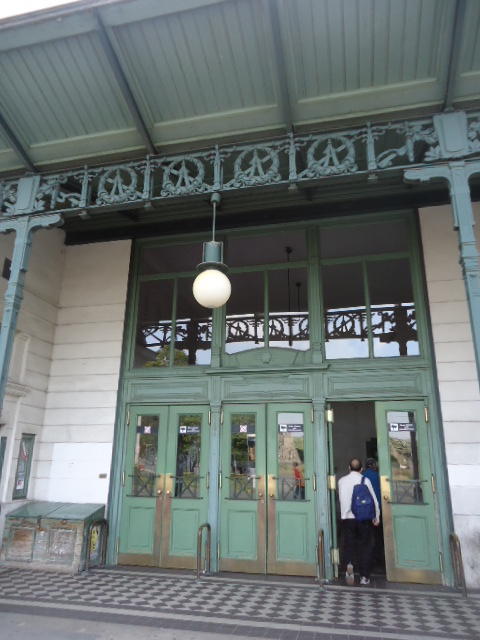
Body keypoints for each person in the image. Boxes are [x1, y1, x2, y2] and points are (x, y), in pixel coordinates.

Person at [338, 457, 380, 586]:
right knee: (365, 546)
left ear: (349, 468)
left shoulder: (341, 481)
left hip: (347, 518)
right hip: (363, 518)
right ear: (361, 469)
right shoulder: (365, 480)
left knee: (349, 546)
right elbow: (373, 499)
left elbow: (341, 499)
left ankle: (349, 568)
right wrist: (376, 516)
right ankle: (364, 576)